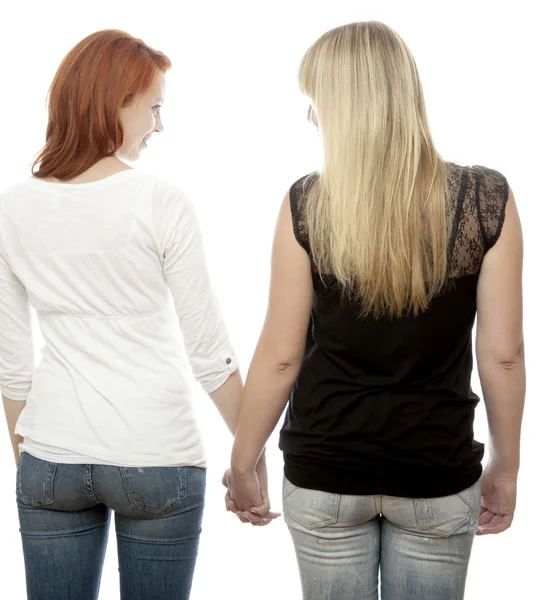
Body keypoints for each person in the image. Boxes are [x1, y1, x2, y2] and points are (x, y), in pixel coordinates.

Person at [224, 21, 525, 600]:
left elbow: (281, 357)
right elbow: (503, 357)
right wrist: (506, 470)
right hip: (435, 473)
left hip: (325, 473)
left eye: (316, 101)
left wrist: (244, 460)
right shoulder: (486, 201)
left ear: (344, 106)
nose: (312, 117)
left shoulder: (305, 205)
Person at [0, 29, 275, 600]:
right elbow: (209, 353)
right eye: (155, 107)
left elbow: (13, 365)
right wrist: (250, 456)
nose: (161, 126)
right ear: (114, 102)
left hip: (50, 456)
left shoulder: (9, 208)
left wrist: (36, 465)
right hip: (157, 455)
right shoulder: (161, 203)